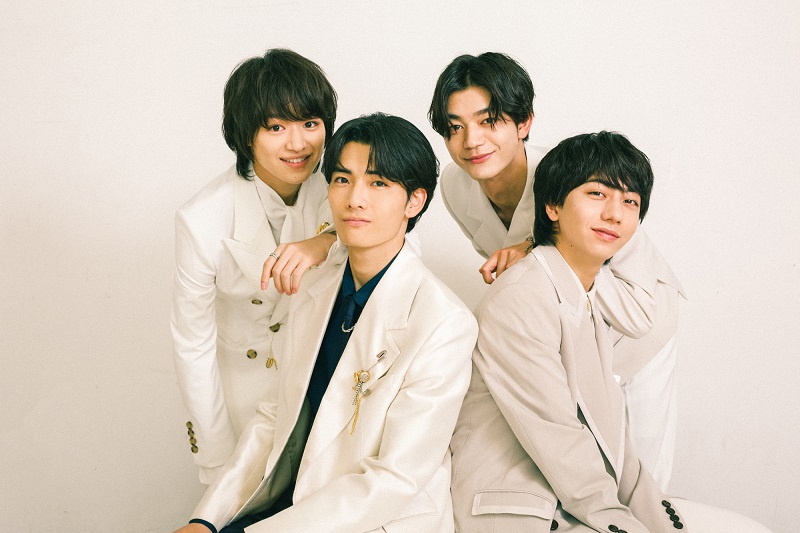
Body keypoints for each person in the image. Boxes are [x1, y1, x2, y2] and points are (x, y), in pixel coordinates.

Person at [450, 131, 771, 533]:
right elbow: (559, 438)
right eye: (597, 194)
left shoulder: (588, 300)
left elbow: (618, 447)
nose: (615, 214)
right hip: (521, 510)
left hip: (571, 504)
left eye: (630, 202)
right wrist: (625, 525)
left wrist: (660, 523)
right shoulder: (521, 297)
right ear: (552, 206)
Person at [173, 113, 478, 533]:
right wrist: (206, 519)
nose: (355, 199)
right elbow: (275, 418)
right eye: (342, 180)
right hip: (292, 504)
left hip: (374, 520)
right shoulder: (314, 288)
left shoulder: (444, 323)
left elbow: (394, 479)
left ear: (415, 201)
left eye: (378, 183)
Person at [428, 52, 684, 488]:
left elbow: (639, 313)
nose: (472, 141)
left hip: (639, 329)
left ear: (524, 123)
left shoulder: (580, 181)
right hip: (573, 330)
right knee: (576, 459)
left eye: (489, 121)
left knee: (640, 471)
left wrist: (539, 248)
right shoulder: (454, 185)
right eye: (455, 127)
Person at [171, 49, 338, 484]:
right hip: (244, 401)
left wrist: (324, 241)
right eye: (276, 127)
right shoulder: (202, 218)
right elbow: (193, 344)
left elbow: (396, 248)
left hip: (325, 393)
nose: (298, 144)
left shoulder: (341, 185)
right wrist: (216, 459)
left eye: (310, 123)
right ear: (246, 135)